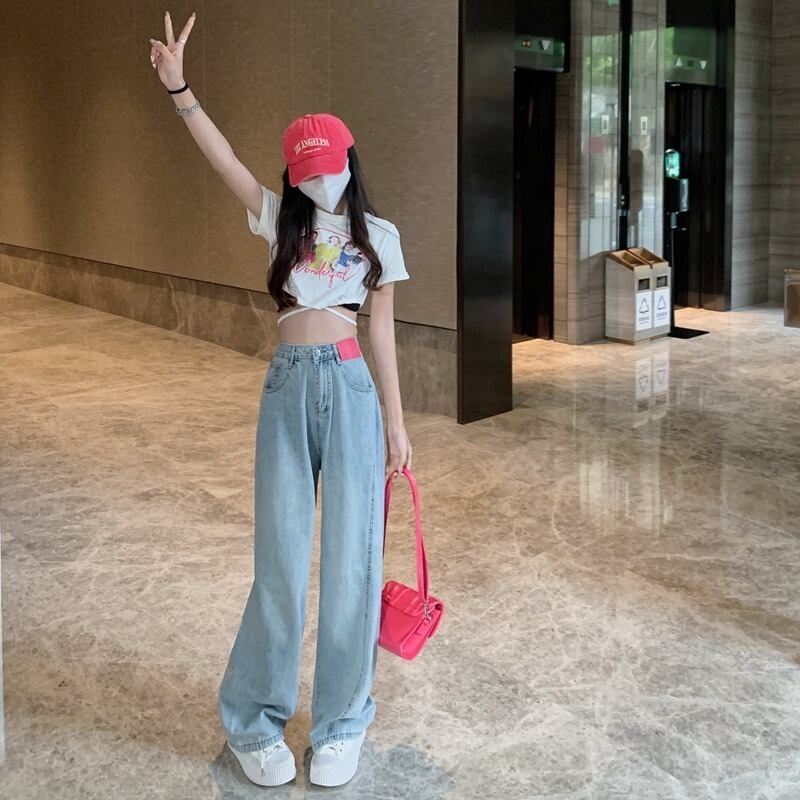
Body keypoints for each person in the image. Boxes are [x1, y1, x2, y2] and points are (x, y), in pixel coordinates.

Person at [149, 12, 413, 789]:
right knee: (280, 563)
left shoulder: (381, 235)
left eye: (328, 166)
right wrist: (181, 90)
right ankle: (252, 721)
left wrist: (397, 425)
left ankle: (342, 724)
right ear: (294, 173)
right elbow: (224, 159)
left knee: (354, 564)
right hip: (289, 386)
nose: (319, 179)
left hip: (353, 388)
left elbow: (383, 332)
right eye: (307, 170)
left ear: (349, 162)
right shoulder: (278, 218)